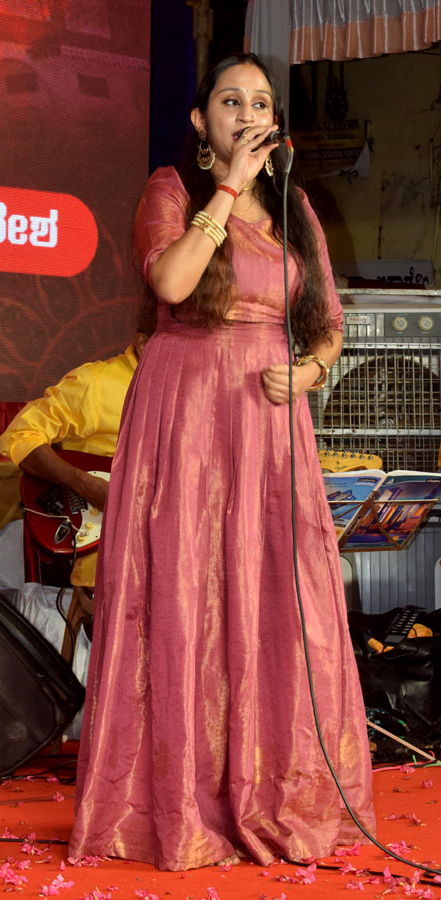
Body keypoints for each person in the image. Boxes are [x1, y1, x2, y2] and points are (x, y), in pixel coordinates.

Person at [69, 52, 375, 870]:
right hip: (188, 413)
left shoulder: (296, 205)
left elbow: (327, 324)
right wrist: (230, 189)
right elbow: (171, 284)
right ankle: (176, 799)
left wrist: (310, 372)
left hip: (270, 423)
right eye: (231, 101)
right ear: (201, 120)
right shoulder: (172, 190)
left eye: (261, 103)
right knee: (185, 588)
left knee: (275, 591)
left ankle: (271, 784)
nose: (248, 113)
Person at [0, 333, 146, 586]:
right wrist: (84, 484)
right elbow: (21, 435)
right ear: (144, 342)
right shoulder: (97, 384)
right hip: (109, 559)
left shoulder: (202, 392)